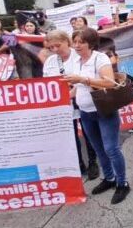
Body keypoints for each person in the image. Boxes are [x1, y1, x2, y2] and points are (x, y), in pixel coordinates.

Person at [63, 28, 130, 205]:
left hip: (104, 110)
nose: (76, 46)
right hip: (85, 112)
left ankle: (122, 183)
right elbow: (77, 86)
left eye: (80, 42)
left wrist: (84, 80)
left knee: (111, 149)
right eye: (74, 42)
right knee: (98, 149)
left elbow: (109, 82)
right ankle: (109, 178)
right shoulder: (74, 61)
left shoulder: (99, 58)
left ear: (91, 44)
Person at [43, 30, 100, 180]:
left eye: (58, 45)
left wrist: (72, 90)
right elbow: (47, 82)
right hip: (62, 102)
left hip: (80, 98)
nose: (55, 50)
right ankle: (78, 163)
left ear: (66, 41)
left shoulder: (78, 56)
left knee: (88, 133)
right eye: (51, 47)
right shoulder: (50, 61)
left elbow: (86, 77)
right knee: (70, 134)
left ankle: (93, 161)